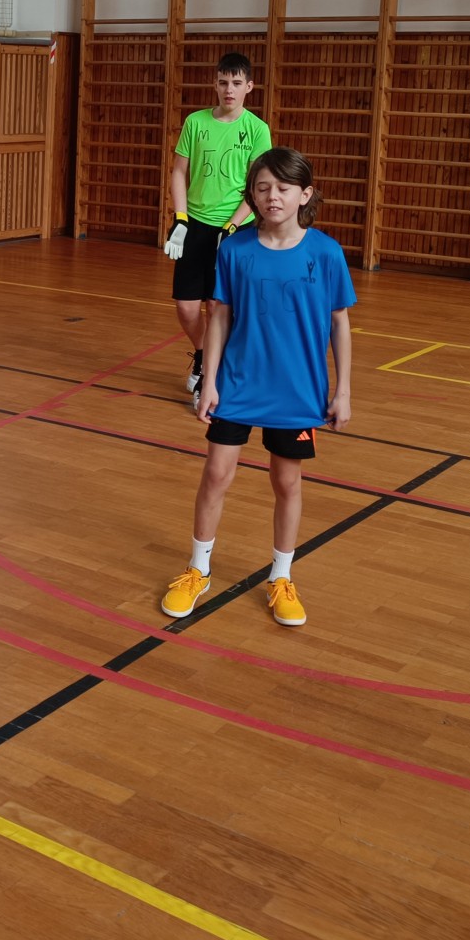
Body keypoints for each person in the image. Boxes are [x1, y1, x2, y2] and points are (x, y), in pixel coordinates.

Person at [161, 147, 354, 629]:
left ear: (304, 195)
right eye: (263, 188)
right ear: (251, 195)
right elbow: (219, 317)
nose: (272, 197)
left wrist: (343, 390)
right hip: (238, 384)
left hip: (297, 391)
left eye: (284, 188)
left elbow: (339, 323)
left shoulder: (326, 253)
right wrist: (209, 380)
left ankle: (281, 576)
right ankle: (198, 569)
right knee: (216, 474)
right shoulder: (235, 250)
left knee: (287, 483)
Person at [164, 52, 272, 403]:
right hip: (195, 225)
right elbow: (179, 172)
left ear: (249, 87)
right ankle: (202, 354)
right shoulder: (195, 122)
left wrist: (232, 226)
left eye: (237, 83)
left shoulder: (257, 130)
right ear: (215, 84)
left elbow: (257, 186)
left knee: (217, 307)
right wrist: (180, 218)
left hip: (235, 228)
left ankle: (210, 378)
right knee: (187, 308)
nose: (229, 89)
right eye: (223, 82)